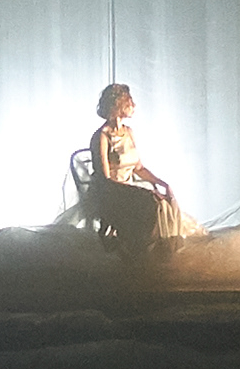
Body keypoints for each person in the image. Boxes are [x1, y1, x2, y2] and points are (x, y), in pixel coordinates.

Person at [78, 83, 191, 256]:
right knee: (150, 203)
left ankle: (161, 251)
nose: (134, 106)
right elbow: (105, 181)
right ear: (119, 105)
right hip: (111, 193)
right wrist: (141, 192)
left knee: (166, 200)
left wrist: (163, 184)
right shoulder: (102, 136)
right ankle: (140, 251)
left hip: (128, 190)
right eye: (130, 102)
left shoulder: (129, 132)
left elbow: (139, 168)